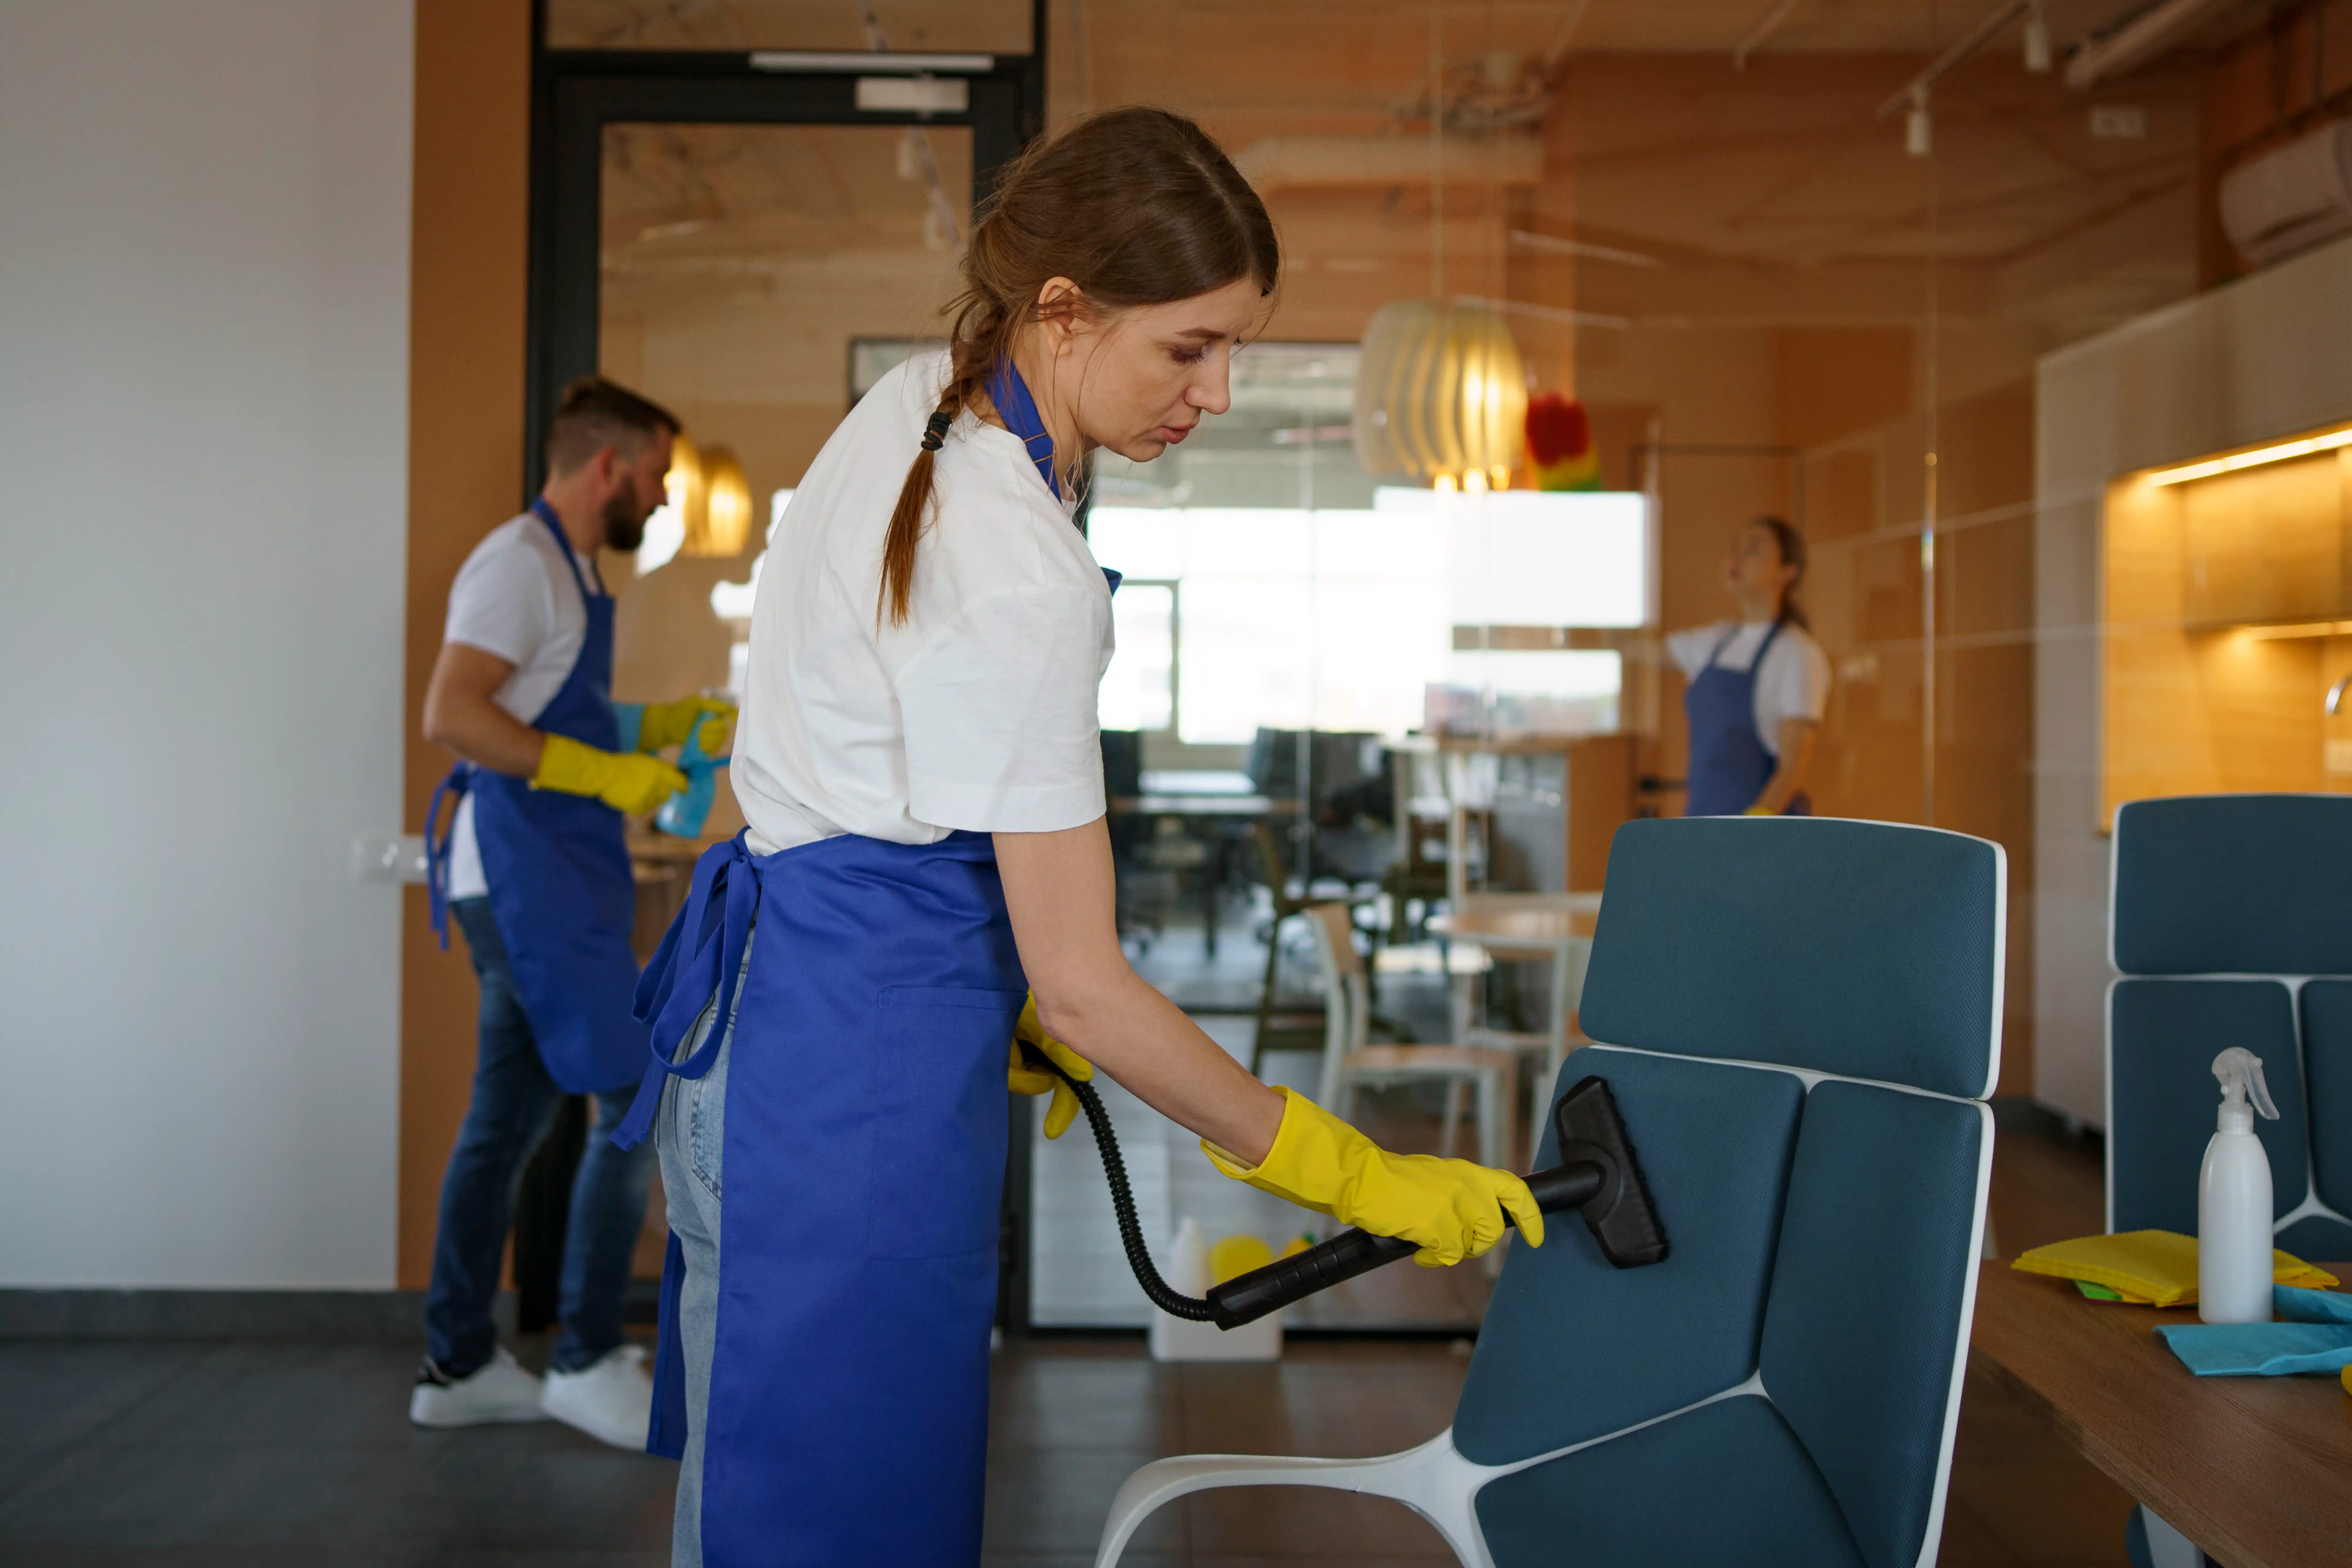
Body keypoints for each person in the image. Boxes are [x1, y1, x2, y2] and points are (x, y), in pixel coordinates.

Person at [607, 107, 1545, 1568]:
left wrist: (989, 973)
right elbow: (1089, 988)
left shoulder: (927, 399)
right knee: (823, 1522)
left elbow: (862, 763)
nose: (1219, 391)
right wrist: (1355, 1172)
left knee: (771, 1491)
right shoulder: (1018, 559)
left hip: (782, 1031)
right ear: (1064, 311)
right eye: (1190, 346)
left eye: (1236, 345)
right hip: (846, 1086)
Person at [413, 376, 735, 1449]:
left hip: (543, 882)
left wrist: (651, 730)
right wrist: (610, 778)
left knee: (506, 1123)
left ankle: (457, 1367)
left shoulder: (570, 575)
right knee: (634, 1105)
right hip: (526, 880)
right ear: (610, 466)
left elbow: (552, 705)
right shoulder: (519, 565)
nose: (660, 499)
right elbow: (454, 714)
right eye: (654, 478)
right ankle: (588, 1358)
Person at [1667, 514, 1831, 817]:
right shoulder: (1713, 642)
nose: (1737, 557)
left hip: (1764, 841)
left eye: (1753, 549)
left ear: (1786, 572)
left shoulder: (1798, 654)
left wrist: (1751, 831)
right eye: (1736, 548)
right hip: (1704, 828)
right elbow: (1634, 649)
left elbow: (1793, 769)